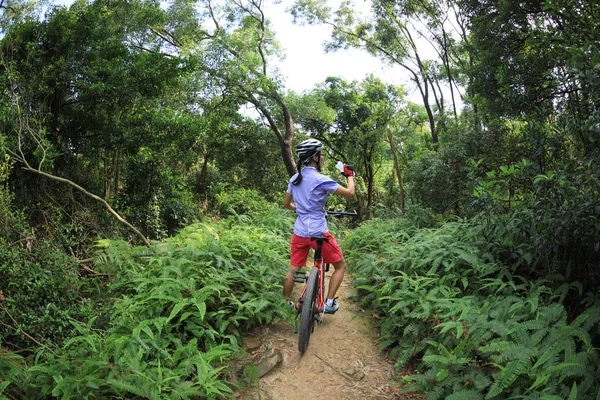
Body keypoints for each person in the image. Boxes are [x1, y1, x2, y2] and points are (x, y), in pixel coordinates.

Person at [283, 139, 355, 314]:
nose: (322, 157)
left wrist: (299, 210)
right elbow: (350, 193)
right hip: (318, 233)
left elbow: (286, 204)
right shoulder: (321, 180)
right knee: (340, 266)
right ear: (314, 157)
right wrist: (350, 176)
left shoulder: (294, 179)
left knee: (293, 268)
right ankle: (328, 303)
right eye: (321, 155)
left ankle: (284, 304)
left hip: (299, 232)